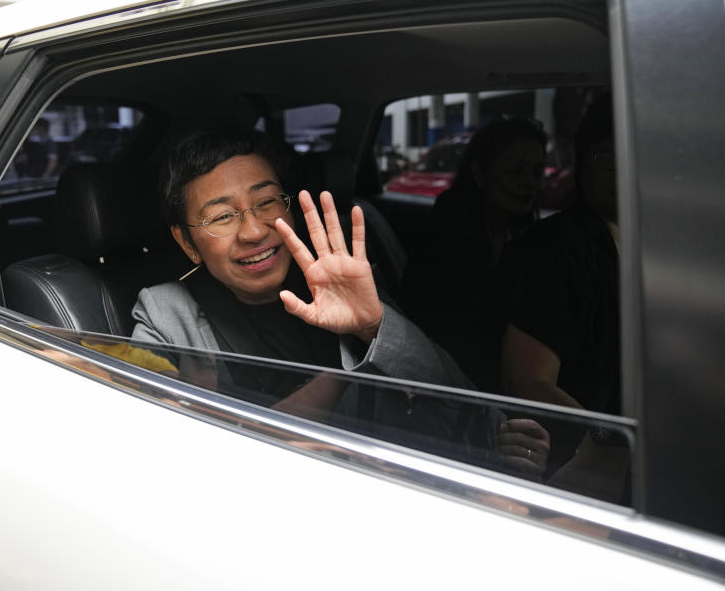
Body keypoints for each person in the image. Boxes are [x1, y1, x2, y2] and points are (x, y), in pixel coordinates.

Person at [131, 126, 548, 477]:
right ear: (186, 242)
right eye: (222, 216)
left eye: (266, 202)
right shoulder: (164, 314)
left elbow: (451, 396)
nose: (255, 231)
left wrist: (374, 326)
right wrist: (345, 377)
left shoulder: (334, 276)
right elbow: (175, 464)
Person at [500, 96, 622, 487]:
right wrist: (611, 439)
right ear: (582, 164)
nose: (623, 169)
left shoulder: (654, 244)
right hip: (569, 463)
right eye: (607, 156)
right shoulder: (559, 250)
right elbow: (529, 381)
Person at [401, 115, 546, 393]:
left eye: (537, 172)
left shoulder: (518, 227)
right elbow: (457, 328)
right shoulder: (450, 229)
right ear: (480, 173)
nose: (529, 183)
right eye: (516, 171)